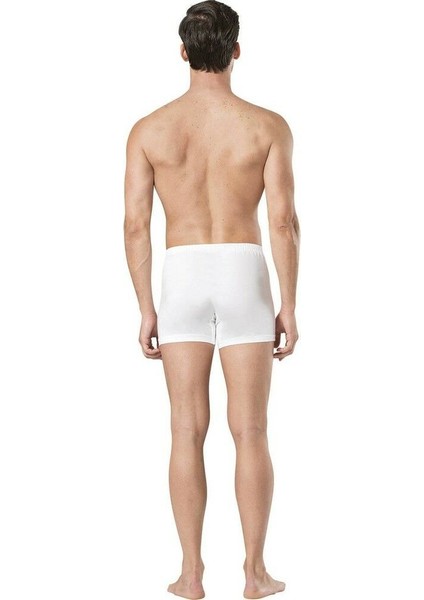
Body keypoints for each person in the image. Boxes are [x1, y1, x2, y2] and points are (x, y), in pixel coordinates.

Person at [123, 1, 300, 598]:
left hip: (183, 273)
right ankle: (254, 572)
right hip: (244, 270)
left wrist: (146, 307)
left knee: (184, 429)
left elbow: (135, 226)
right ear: (236, 50)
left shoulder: (149, 130)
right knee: (250, 429)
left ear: (183, 52)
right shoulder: (266, 126)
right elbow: (283, 223)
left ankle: (191, 573)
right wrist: (289, 304)